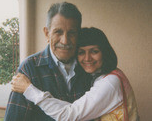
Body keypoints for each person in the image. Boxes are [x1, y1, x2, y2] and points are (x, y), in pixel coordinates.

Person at [11, 27, 140, 121]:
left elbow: (70, 115)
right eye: (81, 52)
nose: (87, 58)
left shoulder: (110, 82)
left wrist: (29, 90)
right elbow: (74, 109)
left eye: (94, 51)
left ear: (105, 52)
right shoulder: (106, 76)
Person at [4, 2, 93, 121]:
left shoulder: (88, 67)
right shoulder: (30, 68)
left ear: (79, 35)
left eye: (71, 33)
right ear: (47, 33)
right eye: (58, 32)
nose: (65, 41)